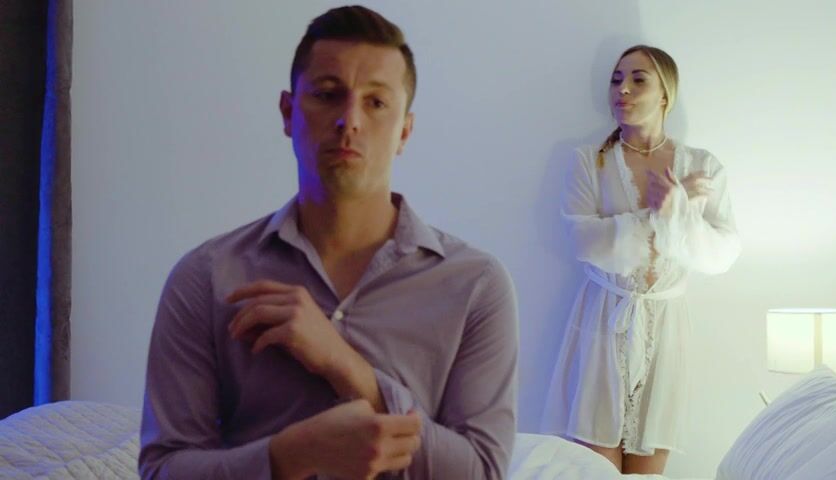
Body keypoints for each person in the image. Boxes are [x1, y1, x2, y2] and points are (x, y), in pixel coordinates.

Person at [138, 6, 518, 479]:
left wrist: (348, 370)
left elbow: (483, 472)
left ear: (404, 130)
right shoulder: (206, 277)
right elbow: (163, 469)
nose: (349, 121)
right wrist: (290, 456)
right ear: (288, 112)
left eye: (375, 102)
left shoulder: (476, 285)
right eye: (327, 95)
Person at [540, 45, 740, 474]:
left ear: (665, 93)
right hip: (603, 320)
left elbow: (722, 253)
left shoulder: (702, 167)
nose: (623, 90)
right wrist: (659, 212)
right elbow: (584, 241)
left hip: (665, 329)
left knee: (648, 470)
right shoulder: (588, 161)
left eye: (637, 79)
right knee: (594, 470)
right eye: (616, 80)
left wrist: (680, 212)